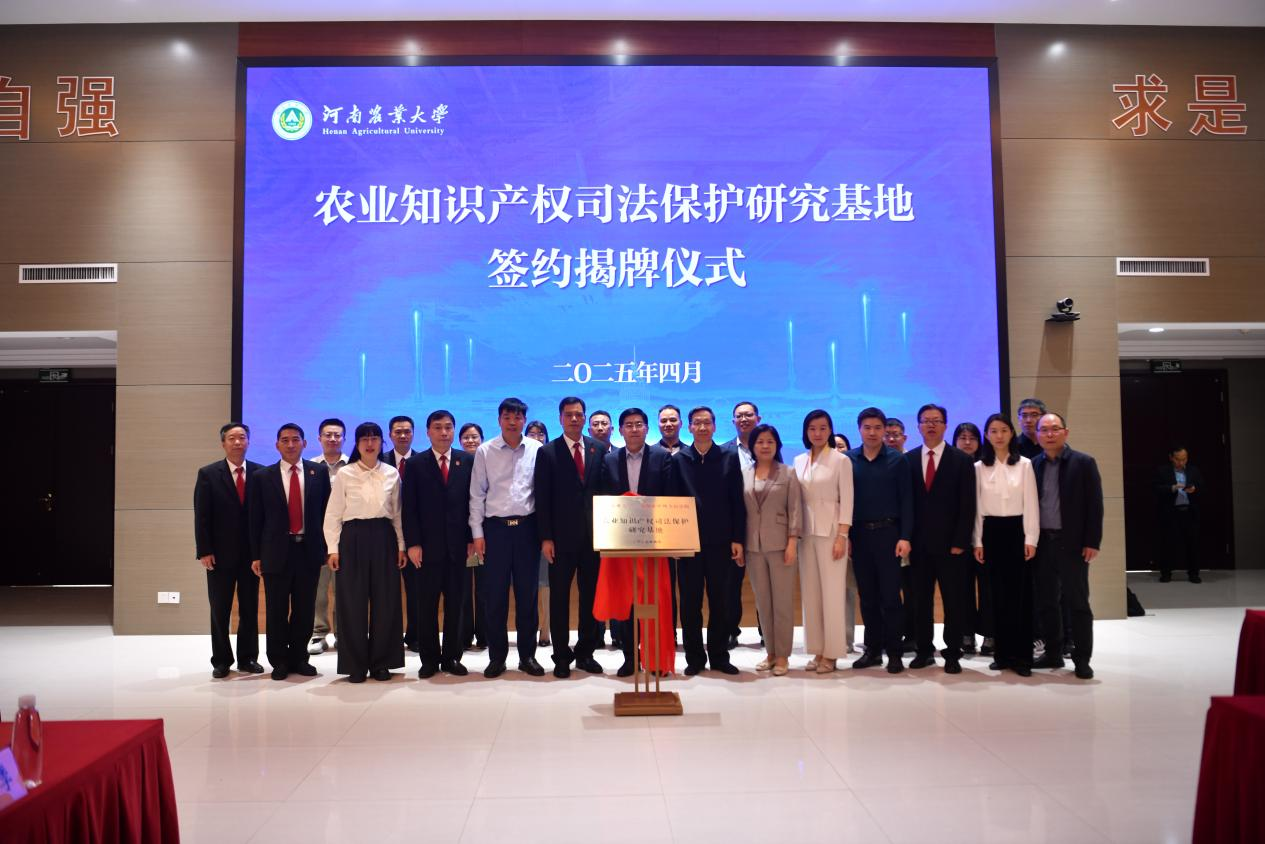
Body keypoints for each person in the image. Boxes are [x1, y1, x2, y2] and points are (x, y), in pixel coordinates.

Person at [323, 422, 406, 683]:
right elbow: (333, 514)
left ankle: (382, 662)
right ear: (357, 444)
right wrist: (333, 549)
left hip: (384, 537)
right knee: (351, 602)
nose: (370, 444)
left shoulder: (392, 473)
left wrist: (401, 546)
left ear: (382, 442)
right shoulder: (345, 474)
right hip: (352, 538)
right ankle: (355, 664)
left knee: (386, 601)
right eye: (364, 439)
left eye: (375, 439)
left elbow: (398, 514)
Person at [248, 424, 332, 680]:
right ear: (277, 445)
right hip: (275, 552)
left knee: (304, 609)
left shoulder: (319, 472)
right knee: (276, 609)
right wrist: (256, 555)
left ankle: (299, 658)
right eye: (285, 440)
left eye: (296, 439)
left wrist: (327, 548)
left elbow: (327, 513)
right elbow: (255, 519)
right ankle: (279, 661)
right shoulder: (263, 476)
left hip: (308, 550)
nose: (291, 444)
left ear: (305, 443)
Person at [534, 399, 609, 678]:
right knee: (560, 599)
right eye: (569, 415)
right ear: (560, 418)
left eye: (579, 414)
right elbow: (542, 498)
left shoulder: (598, 448)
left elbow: (605, 493)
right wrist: (546, 538)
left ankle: (585, 653)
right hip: (560, 540)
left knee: (590, 598)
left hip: (593, 539)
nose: (574, 419)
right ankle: (561, 656)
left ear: (584, 417)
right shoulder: (547, 452)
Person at [470, 397, 544, 678]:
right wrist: (477, 533)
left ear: (524, 420)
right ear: (499, 419)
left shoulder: (537, 449)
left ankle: (527, 657)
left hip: (527, 530)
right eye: (507, 417)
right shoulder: (485, 451)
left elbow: (542, 493)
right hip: (495, 531)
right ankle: (496, 658)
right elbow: (477, 494)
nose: (512, 422)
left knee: (528, 597)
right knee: (495, 598)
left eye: (517, 417)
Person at [599, 407, 675, 676]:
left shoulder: (662, 457)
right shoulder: (610, 460)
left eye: (639, 424)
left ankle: (655, 658)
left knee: (654, 600)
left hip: (654, 540)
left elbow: (669, 498)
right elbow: (605, 499)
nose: (634, 429)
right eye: (629, 425)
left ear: (647, 428)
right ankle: (630, 657)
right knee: (627, 601)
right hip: (622, 541)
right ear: (620, 430)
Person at [672, 406, 745, 676]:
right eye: (697, 423)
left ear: (714, 426)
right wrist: (674, 542)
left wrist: (738, 538)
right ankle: (694, 658)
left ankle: (719, 655)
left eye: (707, 423)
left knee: (721, 601)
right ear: (689, 427)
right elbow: (672, 502)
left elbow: (737, 500)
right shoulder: (679, 460)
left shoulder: (729, 457)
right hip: (688, 543)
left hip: (721, 542)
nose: (702, 427)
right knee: (690, 603)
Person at [402, 410, 474, 678]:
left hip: (458, 546)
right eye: (437, 427)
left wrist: (471, 538)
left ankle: (452, 657)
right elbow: (409, 507)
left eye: (448, 427)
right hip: (426, 548)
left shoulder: (468, 461)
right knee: (426, 606)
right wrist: (413, 543)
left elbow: (474, 503)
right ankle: (429, 660)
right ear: (428, 432)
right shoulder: (415, 464)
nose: (444, 432)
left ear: (454, 430)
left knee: (456, 604)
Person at [905, 404, 976, 674]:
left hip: (951, 546)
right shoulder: (909, 460)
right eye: (926, 421)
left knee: (953, 601)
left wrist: (961, 541)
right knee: (920, 601)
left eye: (936, 420)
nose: (931, 425)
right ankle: (924, 651)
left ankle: (953, 652)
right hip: (919, 545)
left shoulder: (961, 460)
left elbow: (968, 504)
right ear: (918, 426)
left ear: (945, 425)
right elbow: (906, 504)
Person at [1032, 412, 1103, 680]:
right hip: (1043, 543)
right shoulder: (1033, 465)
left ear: (1066, 432)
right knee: (1047, 601)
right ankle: (1053, 653)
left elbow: (1095, 505)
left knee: (1078, 602)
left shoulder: (1083, 463)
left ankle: (1082, 659)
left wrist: (1092, 541)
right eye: (1044, 430)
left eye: (1055, 429)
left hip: (1072, 544)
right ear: (1037, 435)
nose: (1049, 434)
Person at [194, 423, 264, 678]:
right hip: (219, 555)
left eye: (242, 437)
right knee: (219, 609)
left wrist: (262, 552)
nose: (237, 442)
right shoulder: (208, 474)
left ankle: (248, 658)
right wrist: (204, 550)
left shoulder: (260, 473)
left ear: (248, 442)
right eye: (232, 438)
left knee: (249, 608)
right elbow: (202, 516)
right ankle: (221, 660)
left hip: (251, 556)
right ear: (223, 443)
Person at [848, 408, 914, 674]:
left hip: (889, 535)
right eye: (867, 427)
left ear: (884, 430)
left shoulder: (897, 460)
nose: (872, 432)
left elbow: (907, 501)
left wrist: (905, 536)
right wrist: (846, 536)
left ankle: (894, 653)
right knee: (867, 598)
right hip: (860, 535)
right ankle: (873, 651)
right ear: (859, 429)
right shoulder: (849, 460)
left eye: (877, 427)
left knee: (891, 598)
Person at [973, 413, 1039, 677]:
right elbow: (977, 508)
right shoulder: (979, 467)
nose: (998, 436)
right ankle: (1002, 655)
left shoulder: (1024, 465)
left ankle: (1022, 657)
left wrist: (1031, 538)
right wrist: (977, 540)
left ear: (1011, 433)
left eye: (1003, 430)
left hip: (1017, 532)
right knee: (996, 596)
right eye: (993, 431)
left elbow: (1031, 504)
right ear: (986, 435)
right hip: (991, 533)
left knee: (1020, 596)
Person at [793, 409, 853, 674]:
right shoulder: (798, 460)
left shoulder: (841, 460)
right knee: (812, 595)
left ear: (830, 430)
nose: (817, 433)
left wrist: (842, 536)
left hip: (831, 533)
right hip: (806, 533)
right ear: (806, 432)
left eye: (823, 428)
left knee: (832, 595)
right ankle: (817, 649)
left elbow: (848, 500)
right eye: (812, 428)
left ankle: (832, 653)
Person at [744, 424, 803, 676]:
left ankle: (783, 656)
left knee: (782, 602)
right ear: (752, 446)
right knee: (763, 602)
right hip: (753, 546)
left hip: (781, 545)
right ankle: (770, 652)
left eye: (770, 441)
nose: (765, 446)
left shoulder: (788, 473)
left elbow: (795, 510)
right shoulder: (744, 473)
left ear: (777, 444)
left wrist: (792, 542)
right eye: (760, 442)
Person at [308, 418, 347, 656]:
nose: (332, 439)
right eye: (328, 435)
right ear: (319, 438)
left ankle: (343, 634)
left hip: (347, 537)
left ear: (344, 438)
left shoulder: (353, 466)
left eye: (337, 435)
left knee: (344, 588)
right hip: (317, 538)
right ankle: (318, 633)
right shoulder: (310, 466)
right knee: (319, 589)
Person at [382, 415, 420, 652]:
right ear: (390, 435)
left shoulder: (423, 461)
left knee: (416, 589)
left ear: (414, 433)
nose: (403, 435)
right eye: (398, 432)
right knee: (385, 590)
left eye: (407, 431)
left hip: (415, 536)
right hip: (385, 535)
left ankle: (414, 635)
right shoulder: (379, 461)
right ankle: (389, 638)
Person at [953, 421, 991, 656]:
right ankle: (966, 633)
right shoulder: (951, 465)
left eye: (972, 438)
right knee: (962, 588)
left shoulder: (987, 466)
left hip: (987, 537)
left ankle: (990, 633)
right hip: (960, 537)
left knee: (988, 588)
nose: (967, 442)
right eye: (962, 438)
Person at [724, 401, 760, 648]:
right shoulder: (724, 451)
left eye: (748, 415)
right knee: (731, 584)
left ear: (758, 418)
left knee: (764, 583)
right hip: (733, 527)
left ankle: (766, 631)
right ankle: (730, 630)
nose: (744, 419)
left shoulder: (768, 447)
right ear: (733, 421)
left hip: (764, 526)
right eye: (739, 416)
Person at [457, 422, 488, 652]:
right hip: (464, 539)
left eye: (475, 436)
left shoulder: (487, 461)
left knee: (485, 587)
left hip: (487, 536)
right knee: (464, 588)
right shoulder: (459, 464)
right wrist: (469, 537)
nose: (470, 441)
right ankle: (465, 635)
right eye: (466, 437)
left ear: (482, 439)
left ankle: (485, 635)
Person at [1154, 446, 1204, 583]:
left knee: (1193, 544)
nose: (1181, 462)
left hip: (1190, 512)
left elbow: (1202, 486)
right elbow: (1155, 488)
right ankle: (1166, 573)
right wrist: (1172, 488)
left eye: (1184, 459)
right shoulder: (1162, 471)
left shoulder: (1193, 470)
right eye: (1178, 459)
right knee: (1167, 543)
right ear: (1171, 458)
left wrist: (1194, 489)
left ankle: (1194, 574)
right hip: (1170, 512)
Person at [525, 420, 553, 649]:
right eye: (532, 433)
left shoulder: (552, 458)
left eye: (540, 433)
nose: (536, 437)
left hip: (546, 529)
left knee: (545, 582)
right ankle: (528, 630)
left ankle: (545, 630)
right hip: (523, 528)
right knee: (527, 583)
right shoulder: (520, 459)